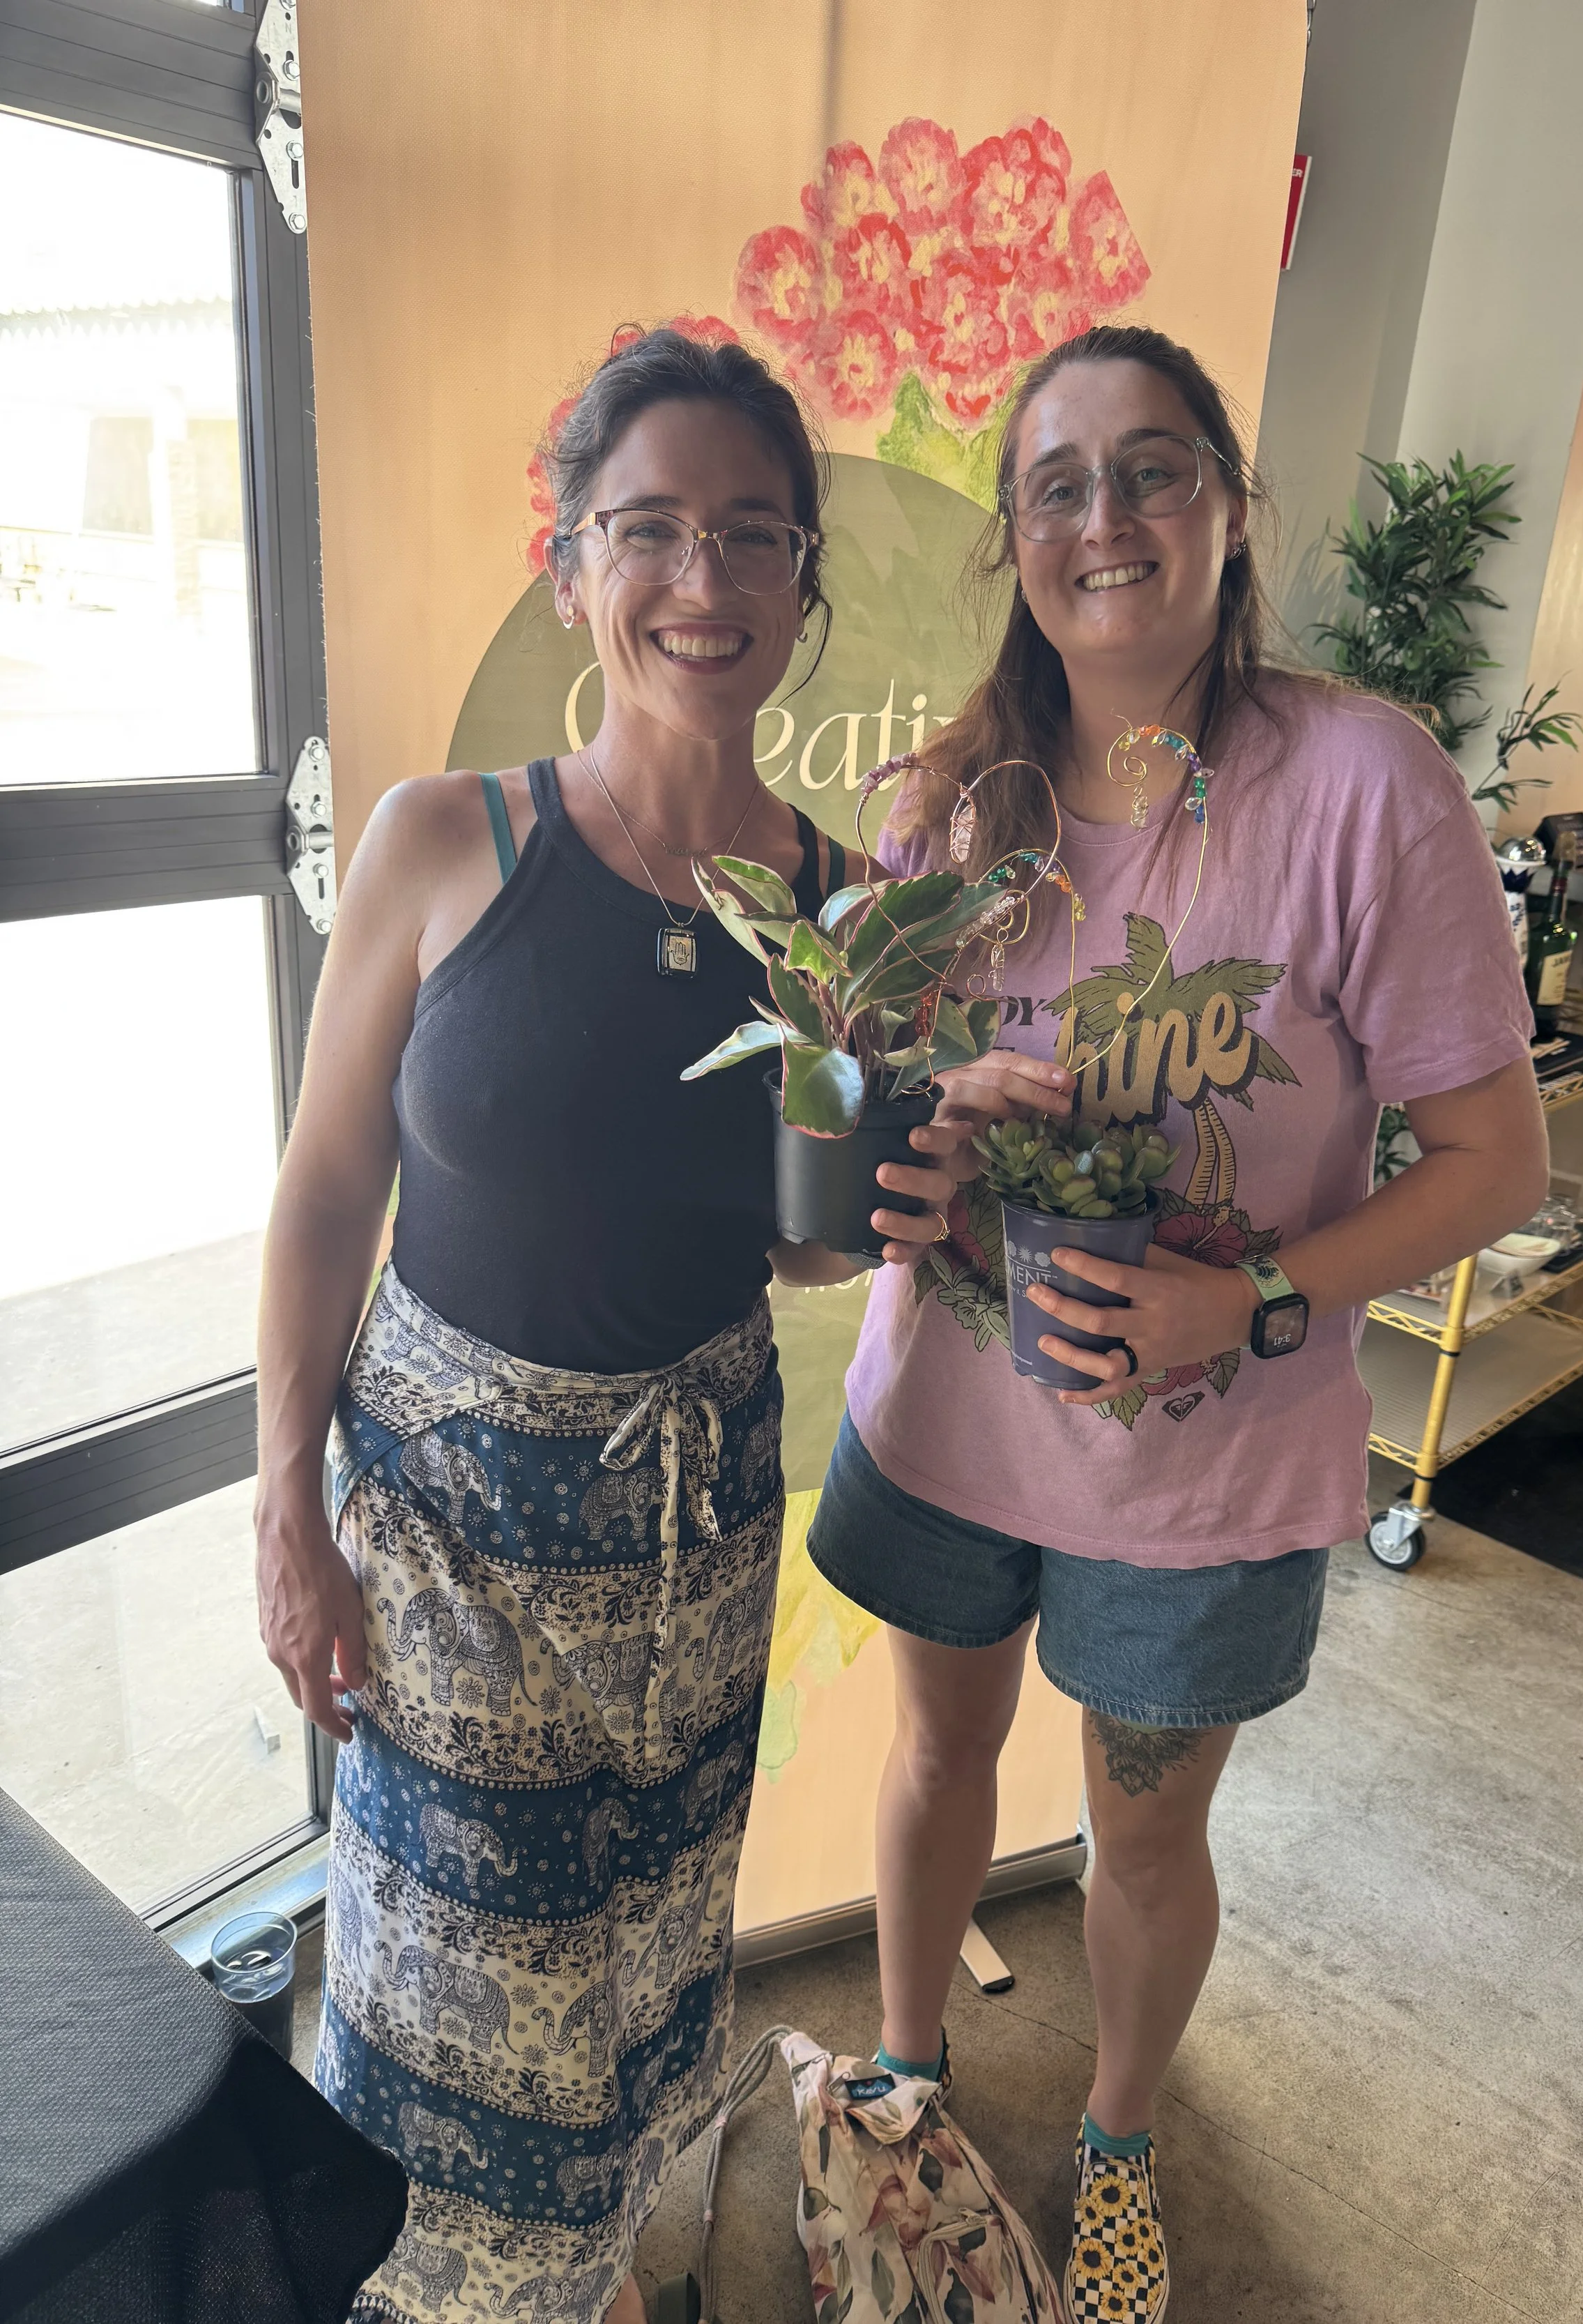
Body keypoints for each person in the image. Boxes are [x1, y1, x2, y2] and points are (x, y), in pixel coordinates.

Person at [806, 324, 1549, 2321]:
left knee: (1139, 1838)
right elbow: (868, 1111)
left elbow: (1496, 1155)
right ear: (1015, 539)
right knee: (933, 1754)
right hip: (950, 1415)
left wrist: (1258, 1287)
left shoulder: (1359, 782)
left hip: (1207, 1462)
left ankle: (1119, 2136)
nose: (1104, 519)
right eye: (1057, 482)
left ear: (1229, 506)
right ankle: (906, 2078)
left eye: (1152, 472)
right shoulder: (952, 801)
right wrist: (930, 1132)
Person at [252, 327, 964, 2324]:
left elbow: (789, 1247)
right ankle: (444, 2287)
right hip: (444, 1530)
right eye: (649, 529)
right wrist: (282, 1510)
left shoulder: (834, 910)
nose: (704, 582)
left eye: (753, 535)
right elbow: (322, 1198)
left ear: (805, 585)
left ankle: (588, 2269)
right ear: (566, 560)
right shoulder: (440, 841)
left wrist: (894, 1219)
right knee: (439, 1963)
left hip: (686, 1527)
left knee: (646, 1937)